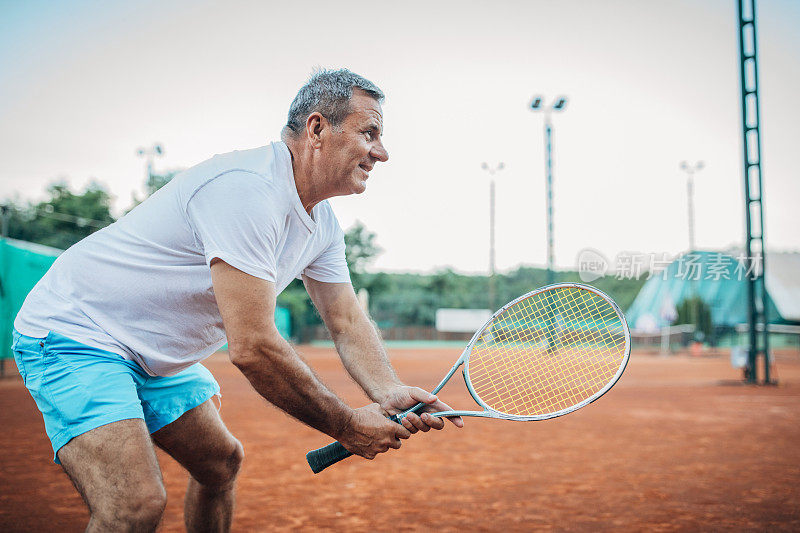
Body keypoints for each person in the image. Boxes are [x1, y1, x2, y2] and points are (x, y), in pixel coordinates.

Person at [11, 68, 463, 532]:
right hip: (78, 332)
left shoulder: (322, 224)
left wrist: (386, 390)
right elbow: (251, 346)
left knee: (220, 464)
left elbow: (346, 319)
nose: (381, 153)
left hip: (150, 354)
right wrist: (346, 425)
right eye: (370, 133)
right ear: (317, 128)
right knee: (133, 506)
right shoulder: (248, 190)